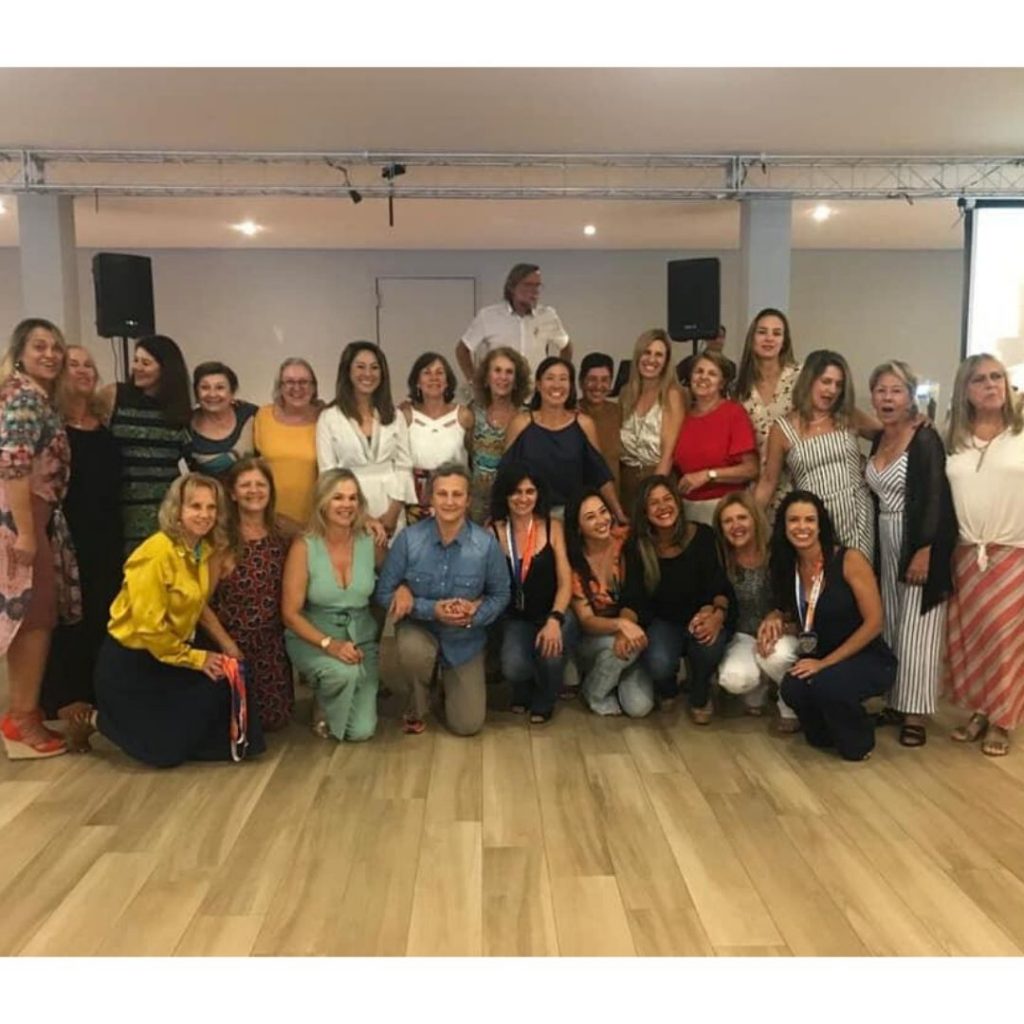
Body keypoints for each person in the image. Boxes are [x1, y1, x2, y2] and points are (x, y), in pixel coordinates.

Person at [61, 473, 267, 767]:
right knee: (162, 755)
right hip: (134, 661)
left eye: (211, 507)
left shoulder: (203, 549)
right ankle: (92, 719)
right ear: (177, 510)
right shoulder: (155, 554)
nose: (205, 514)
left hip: (172, 654)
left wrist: (226, 647)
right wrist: (197, 659)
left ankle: (170, 732)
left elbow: (198, 605)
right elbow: (150, 630)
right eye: (195, 506)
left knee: (226, 682)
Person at [376, 462, 510, 736]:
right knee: (413, 652)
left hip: (465, 638)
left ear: (468, 500)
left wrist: (475, 613)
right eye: (442, 494)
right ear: (431, 499)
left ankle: (447, 687)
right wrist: (430, 609)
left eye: (457, 494)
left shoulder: (486, 545)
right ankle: (418, 701)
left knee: (468, 725)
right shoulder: (408, 540)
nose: (449, 502)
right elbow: (384, 592)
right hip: (420, 629)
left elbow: (501, 594)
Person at [0, 319, 80, 759]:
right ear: (20, 353)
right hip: (21, 516)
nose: (50, 354)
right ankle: (22, 719)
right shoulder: (26, 397)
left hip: (33, 514)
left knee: (33, 616)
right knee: (33, 618)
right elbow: (12, 466)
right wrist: (27, 533)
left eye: (56, 347)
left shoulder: (33, 396)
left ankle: (22, 713)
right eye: (39, 346)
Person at [867, 361, 957, 748]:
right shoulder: (878, 438)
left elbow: (937, 496)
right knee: (892, 623)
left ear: (910, 396)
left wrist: (925, 549)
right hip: (884, 538)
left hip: (917, 538)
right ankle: (895, 701)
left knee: (919, 628)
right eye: (881, 390)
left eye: (896, 390)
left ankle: (916, 713)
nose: (888, 398)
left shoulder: (924, 439)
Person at [769, 490, 896, 761]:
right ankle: (831, 728)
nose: (802, 527)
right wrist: (774, 617)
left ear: (821, 525)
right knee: (793, 687)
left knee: (828, 686)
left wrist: (825, 663)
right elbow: (798, 614)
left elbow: (875, 623)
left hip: (866, 656)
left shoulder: (849, 560)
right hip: (821, 656)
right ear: (784, 526)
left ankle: (860, 738)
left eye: (809, 520)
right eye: (794, 520)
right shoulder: (788, 566)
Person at [945, 354, 1024, 757]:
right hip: (965, 553)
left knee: (1004, 638)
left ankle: (1003, 719)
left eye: (997, 377)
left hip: (1014, 551)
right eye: (980, 379)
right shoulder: (954, 439)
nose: (991, 385)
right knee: (973, 640)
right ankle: (980, 710)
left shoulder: (1020, 433)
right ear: (965, 390)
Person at [40, 345, 123, 720]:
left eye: (89, 365)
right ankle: (64, 698)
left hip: (106, 534)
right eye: (73, 364)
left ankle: (98, 694)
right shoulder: (51, 427)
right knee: (67, 616)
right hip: (64, 535)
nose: (83, 370)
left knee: (103, 610)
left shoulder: (105, 426)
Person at [282, 469, 386, 743]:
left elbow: (391, 580)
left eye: (353, 498)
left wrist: (404, 590)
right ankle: (324, 696)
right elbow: (290, 614)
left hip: (361, 639)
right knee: (342, 674)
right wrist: (330, 644)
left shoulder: (371, 541)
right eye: (338, 497)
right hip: (314, 637)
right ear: (322, 502)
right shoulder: (304, 546)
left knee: (362, 731)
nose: (346, 504)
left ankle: (335, 696)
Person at [621, 477, 732, 722]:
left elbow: (719, 584)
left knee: (709, 645)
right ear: (644, 511)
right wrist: (624, 626)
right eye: (654, 503)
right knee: (658, 663)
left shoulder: (703, 535)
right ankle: (667, 687)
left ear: (678, 502)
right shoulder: (637, 546)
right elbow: (633, 596)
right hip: (662, 621)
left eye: (667, 499)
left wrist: (717, 615)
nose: (663, 507)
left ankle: (700, 690)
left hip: (703, 613)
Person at [200, 457, 296, 732]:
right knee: (237, 726)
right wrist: (227, 645)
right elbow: (200, 605)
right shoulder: (221, 540)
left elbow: (322, 529)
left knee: (276, 721)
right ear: (232, 493)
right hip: (232, 642)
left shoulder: (281, 528)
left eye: (260, 484)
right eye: (245, 485)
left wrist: (365, 522)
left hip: (272, 643)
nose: (254, 490)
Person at [755, 349, 877, 559]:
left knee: (859, 575)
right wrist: (752, 522)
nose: (832, 390)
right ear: (809, 381)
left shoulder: (847, 416)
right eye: (826, 381)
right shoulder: (782, 428)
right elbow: (768, 482)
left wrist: (915, 420)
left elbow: (888, 432)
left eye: (838, 384)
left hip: (856, 515)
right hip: (811, 520)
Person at [489, 462, 574, 724]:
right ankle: (523, 686)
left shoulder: (552, 527)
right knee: (513, 667)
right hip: (515, 617)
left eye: (529, 491)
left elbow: (566, 582)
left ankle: (546, 696)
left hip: (553, 612)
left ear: (538, 494)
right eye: (516, 492)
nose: (523, 498)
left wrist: (555, 619)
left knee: (550, 652)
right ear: (505, 495)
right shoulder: (492, 531)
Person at [712, 492, 799, 726]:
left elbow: (795, 597)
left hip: (779, 630)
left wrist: (780, 614)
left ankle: (790, 703)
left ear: (755, 519)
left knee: (776, 657)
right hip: (741, 634)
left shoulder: (779, 552)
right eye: (728, 521)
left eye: (742, 518)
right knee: (735, 679)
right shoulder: (720, 557)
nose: (736, 526)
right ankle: (760, 684)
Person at [100, 334, 191, 555]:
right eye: (136, 360)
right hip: (119, 502)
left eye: (146, 363)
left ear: (166, 369)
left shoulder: (180, 409)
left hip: (165, 507)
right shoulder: (115, 395)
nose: (137, 367)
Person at [503, 356, 625, 521]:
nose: (557, 385)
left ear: (571, 385)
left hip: (573, 516)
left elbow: (600, 475)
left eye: (563, 379)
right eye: (550, 378)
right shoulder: (520, 423)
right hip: (529, 515)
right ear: (538, 385)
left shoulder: (584, 424)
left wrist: (619, 514)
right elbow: (505, 476)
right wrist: (498, 515)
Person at [565, 489, 653, 718]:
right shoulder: (574, 561)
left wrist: (626, 628)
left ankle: (614, 672)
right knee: (622, 646)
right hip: (594, 639)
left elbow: (636, 594)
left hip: (632, 634)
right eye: (590, 517)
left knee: (639, 708)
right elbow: (586, 620)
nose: (601, 520)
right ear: (578, 527)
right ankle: (593, 693)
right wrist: (620, 626)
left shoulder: (626, 541)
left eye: (603, 511)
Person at [316, 341, 415, 537]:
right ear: (347, 371)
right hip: (347, 508)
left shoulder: (395, 416)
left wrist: (394, 511)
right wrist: (363, 517)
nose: (368, 374)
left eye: (374, 367)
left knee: (393, 556)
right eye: (360, 367)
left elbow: (404, 466)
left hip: (391, 507)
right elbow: (328, 473)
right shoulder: (329, 418)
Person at [671, 351, 758, 526]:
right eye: (699, 371)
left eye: (712, 374)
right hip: (687, 509)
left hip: (725, 508)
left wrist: (708, 475)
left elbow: (751, 469)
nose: (703, 377)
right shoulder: (683, 416)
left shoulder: (733, 413)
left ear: (722, 383)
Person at [734, 309, 801, 522]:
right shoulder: (738, 388)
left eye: (776, 333)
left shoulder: (800, 377)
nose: (769, 338)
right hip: (758, 485)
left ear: (784, 341)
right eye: (762, 332)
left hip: (798, 482)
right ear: (752, 338)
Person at [455, 263, 571, 382]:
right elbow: (462, 349)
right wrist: (474, 382)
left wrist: (560, 377)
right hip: (501, 388)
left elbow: (566, 346)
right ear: (512, 287)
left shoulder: (547, 316)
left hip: (535, 389)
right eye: (528, 285)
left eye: (537, 286)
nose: (534, 291)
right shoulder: (488, 316)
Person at [618, 329, 686, 516]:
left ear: (666, 361)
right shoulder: (626, 393)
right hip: (627, 482)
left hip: (659, 479)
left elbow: (668, 454)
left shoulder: (672, 395)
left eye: (659, 355)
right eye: (647, 352)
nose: (651, 360)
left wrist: (654, 492)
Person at [403, 351, 473, 522]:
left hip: (453, 499)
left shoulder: (463, 415)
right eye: (427, 373)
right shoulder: (406, 416)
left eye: (439, 372)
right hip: (416, 503)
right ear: (417, 382)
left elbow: (474, 460)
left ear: (447, 381)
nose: (434, 378)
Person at [253, 357, 321, 529]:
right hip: (269, 518)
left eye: (303, 382)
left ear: (313, 387)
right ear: (280, 387)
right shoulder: (263, 415)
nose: (296, 388)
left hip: (314, 521)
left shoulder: (325, 418)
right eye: (289, 382)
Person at [467, 345, 530, 524]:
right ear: (487, 378)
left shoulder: (527, 417)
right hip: (476, 506)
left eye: (509, 372)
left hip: (514, 502)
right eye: (497, 370)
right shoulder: (473, 411)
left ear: (516, 381)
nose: (503, 377)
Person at [186, 360, 258, 478]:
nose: (212, 394)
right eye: (205, 387)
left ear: (232, 392)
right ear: (196, 393)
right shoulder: (186, 426)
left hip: (252, 488)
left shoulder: (251, 415)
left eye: (220, 387)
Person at [578, 352, 622, 499]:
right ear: (581, 382)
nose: (598, 386)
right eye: (592, 379)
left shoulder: (619, 413)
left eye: (604, 380)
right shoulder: (569, 414)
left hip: (616, 500)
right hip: (581, 500)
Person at [676, 325, 736, 393]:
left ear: (724, 339)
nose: (716, 340)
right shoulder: (689, 362)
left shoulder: (731, 367)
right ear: (706, 339)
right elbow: (673, 380)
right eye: (712, 336)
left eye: (720, 337)